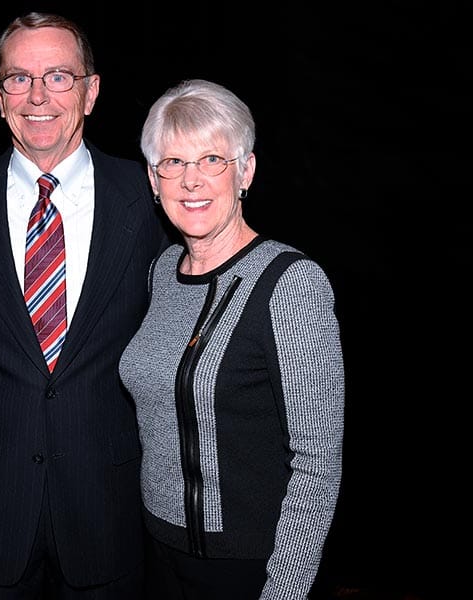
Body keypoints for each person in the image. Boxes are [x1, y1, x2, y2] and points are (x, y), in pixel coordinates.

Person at [0, 11, 169, 600]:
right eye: (19, 78)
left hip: (106, 507)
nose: (38, 96)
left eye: (59, 76)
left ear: (91, 92)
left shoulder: (148, 197)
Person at [118, 78, 345, 600]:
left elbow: (317, 464)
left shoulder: (290, 283)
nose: (190, 181)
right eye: (172, 163)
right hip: (157, 556)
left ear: (245, 171)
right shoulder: (161, 274)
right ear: (154, 181)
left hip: (249, 569)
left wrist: (283, 590)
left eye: (211, 160)